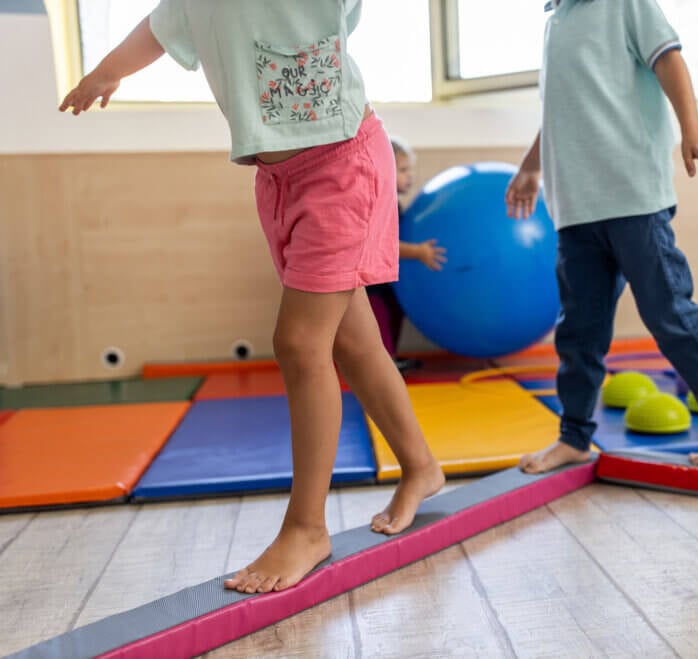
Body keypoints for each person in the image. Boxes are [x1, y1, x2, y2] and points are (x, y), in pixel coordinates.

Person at [58, 1, 444, 594]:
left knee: (298, 343)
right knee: (352, 339)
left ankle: (307, 527)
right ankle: (421, 465)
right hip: (277, 180)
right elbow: (160, 28)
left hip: (341, 164)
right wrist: (109, 69)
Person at [505, 0, 698, 472]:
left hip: (632, 197)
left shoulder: (622, 3)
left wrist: (693, 128)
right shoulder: (556, 21)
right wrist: (531, 164)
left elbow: (668, 58)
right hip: (576, 207)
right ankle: (575, 436)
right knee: (579, 330)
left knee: (668, 311)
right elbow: (568, 109)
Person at [367, 137, 446, 370]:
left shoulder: (395, 202)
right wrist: (419, 252)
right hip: (370, 279)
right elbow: (380, 243)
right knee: (379, 315)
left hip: (386, 276)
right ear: (382, 170)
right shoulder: (378, 202)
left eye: (408, 170)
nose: (409, 176)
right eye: (402, 170)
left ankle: (390, 358)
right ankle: (382, 363)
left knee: (393, 311)